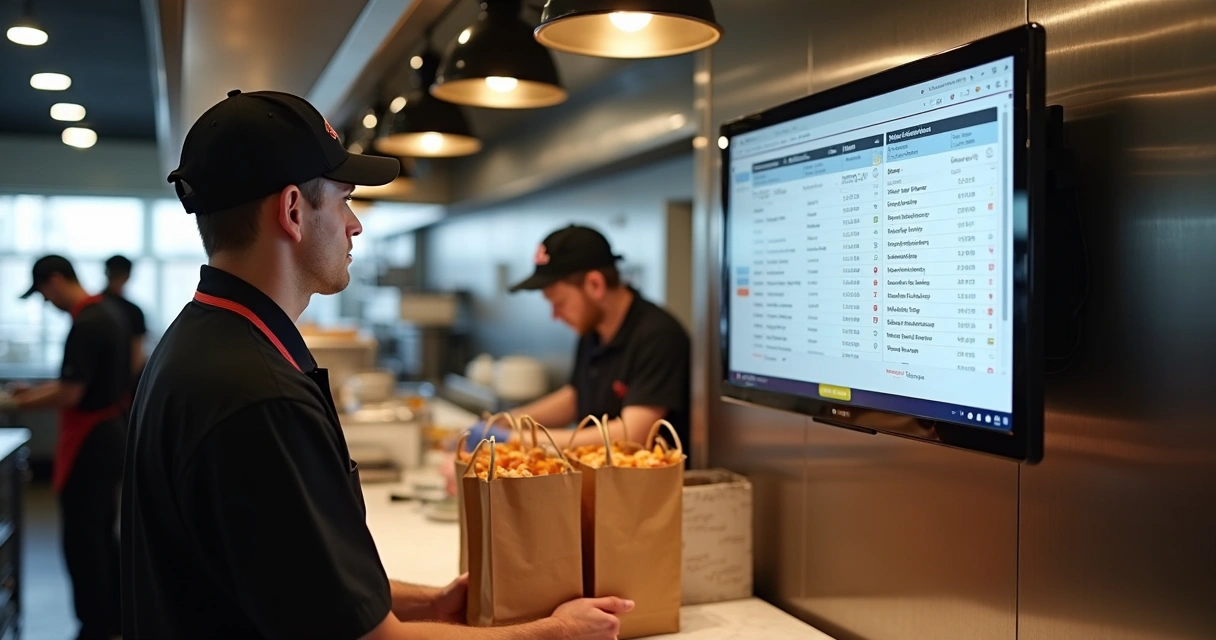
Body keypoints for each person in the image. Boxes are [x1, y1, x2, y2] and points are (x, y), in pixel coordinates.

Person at [121, 89, 631, 640]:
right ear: (292, 211)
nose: (355, 224)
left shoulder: (202, 343)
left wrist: (433, 603)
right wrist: (554, 634)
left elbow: (305, 592)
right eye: (343, 200)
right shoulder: (257, 394)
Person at [1, 255, 128, 640]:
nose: (46, 303)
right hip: (109, 433)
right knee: (101, 532)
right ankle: (111, 616)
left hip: (92, 442)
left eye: (43, 294)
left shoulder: (87, 324)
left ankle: (95, 624)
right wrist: (33, 391)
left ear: (55, 280)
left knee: (84, 539)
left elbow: (72, 393)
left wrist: (12, 402)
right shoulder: (109, 313)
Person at [478, 225, 692, 450]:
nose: (555, 315)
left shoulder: (658, 336)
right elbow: (576, 397)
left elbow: (633, 434)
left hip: (648, 482)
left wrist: (514, 439)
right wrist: (508, 422)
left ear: (595, 285)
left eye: (559, 303)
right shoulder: (593, 330)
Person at [101, 255, 148, 395]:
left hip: (93, 385)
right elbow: (136, 359)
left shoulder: (92, 308)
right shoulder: (133, 311)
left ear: (105, 272)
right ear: (128, 276)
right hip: (121, 390)